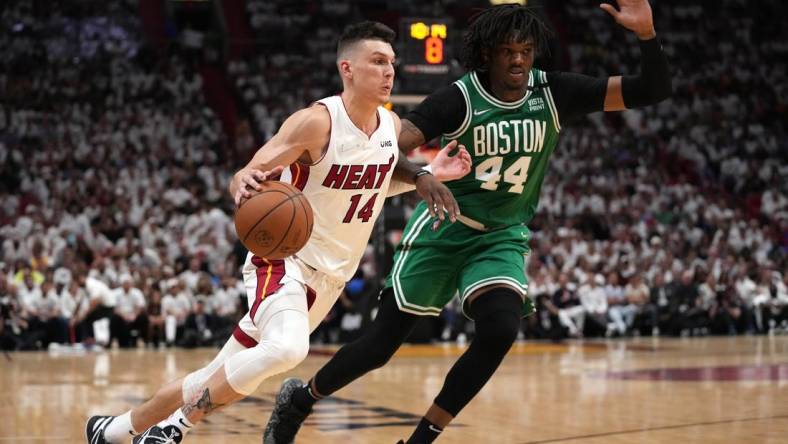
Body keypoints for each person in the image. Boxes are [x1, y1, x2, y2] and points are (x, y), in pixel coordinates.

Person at [264, 1, 672, 443]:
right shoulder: (458, 98)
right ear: (486, 54)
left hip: (501, 236)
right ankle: (301, 399)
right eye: (507, 51)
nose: (518, 59)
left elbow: (653, 89)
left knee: (500, 328)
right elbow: (384, 149)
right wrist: (420, 175)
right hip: (443, 228)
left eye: (526, 50)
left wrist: (647, 35)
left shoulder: (555, 92)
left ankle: (421, 440)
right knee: (381, 346)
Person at [85, 21, 471, 444]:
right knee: (288, 350)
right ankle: (169, 431)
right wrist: (242, 182)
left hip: (329, 278)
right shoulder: (315, 122)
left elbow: (375, 184)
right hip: (284, 260)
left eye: (391, 63)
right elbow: (250, 169)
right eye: (377, 61)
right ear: (347, 68)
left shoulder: (389, 127)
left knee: (215, 378)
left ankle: (111, 431)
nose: (389, 72)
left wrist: (434, 173)